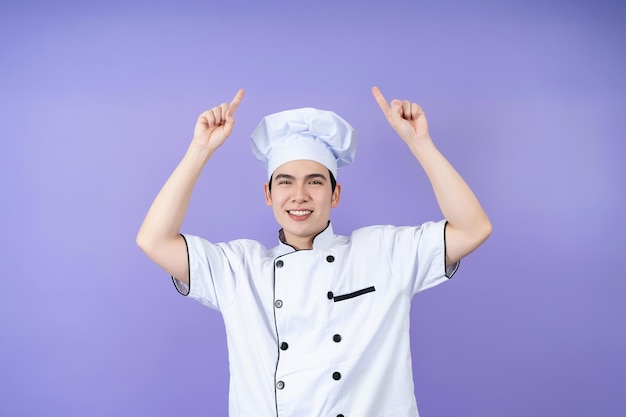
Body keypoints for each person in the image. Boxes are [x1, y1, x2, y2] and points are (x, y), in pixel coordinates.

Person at [136, 86, 492, 417]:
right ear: (268, 194)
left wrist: (421, 143)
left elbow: (473, 228)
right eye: (286, 182)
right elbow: (154, 240)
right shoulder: (238, 268)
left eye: (315, 181)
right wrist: (199, 150)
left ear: (335, 195)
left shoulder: (384, 253)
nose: (299, 196)